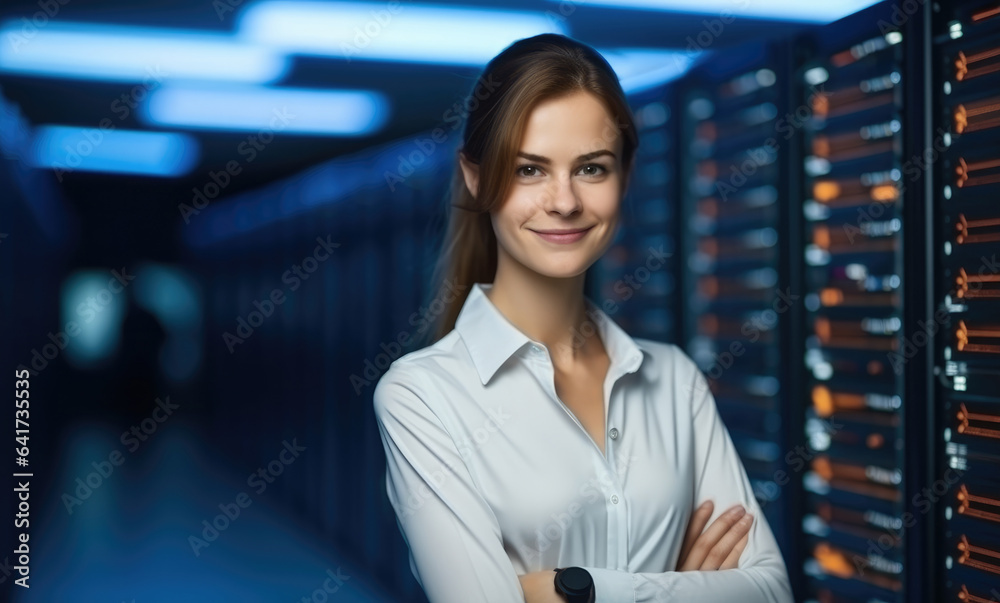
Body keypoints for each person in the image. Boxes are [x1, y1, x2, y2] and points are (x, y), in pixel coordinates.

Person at [372, 33, 793, 603]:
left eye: (591, 168)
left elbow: (770, 591)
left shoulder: (674, 381)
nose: (565, 201)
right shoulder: (422, 396)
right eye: (529, 170)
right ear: (475, 177)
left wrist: (578, 590)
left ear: (625, 175)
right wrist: (687, 588)